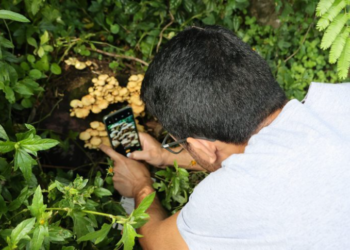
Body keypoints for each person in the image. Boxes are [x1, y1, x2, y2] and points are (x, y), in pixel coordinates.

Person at [100, 25, 350, 250]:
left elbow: (159, 243)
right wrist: (165, 156)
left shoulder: (227, 199)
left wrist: (140, 185)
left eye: (181, 142)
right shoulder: (339, 99)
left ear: (203, 147)